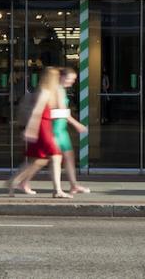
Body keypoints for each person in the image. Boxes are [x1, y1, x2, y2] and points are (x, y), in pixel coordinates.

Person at [5, 72, 68, 198]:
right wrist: (31, 129)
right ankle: (57, 190)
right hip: (43, 128)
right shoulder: (45, 92)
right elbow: (37, 112)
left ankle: (15, 181)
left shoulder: (47, 91)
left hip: (44, 127)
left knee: (40, 159)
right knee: (53, 156)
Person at [54, 66, 92, 195]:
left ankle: (73, 185)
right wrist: (77, 125)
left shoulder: (60, 89)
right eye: (71, 79)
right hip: (56, 128)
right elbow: (63, 112)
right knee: (41, 160)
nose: (73, 82)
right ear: (62, 77)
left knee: (67, 157)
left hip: (60, 128)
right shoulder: (57, 90)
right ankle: (19, 181)